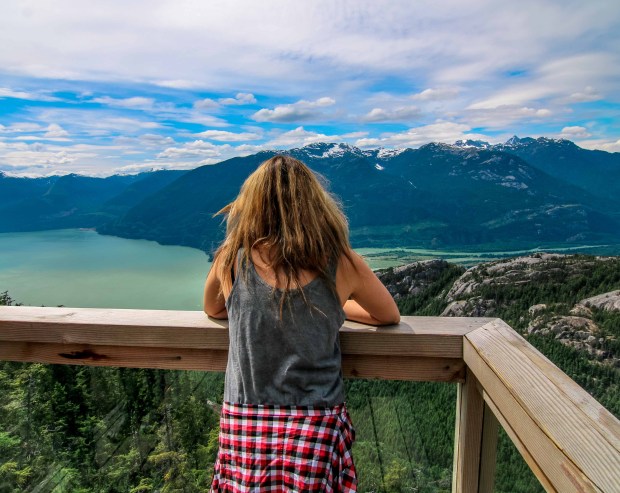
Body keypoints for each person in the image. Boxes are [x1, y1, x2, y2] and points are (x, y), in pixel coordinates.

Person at [204, 154, 400, 492]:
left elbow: (213, 308)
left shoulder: (232, 258)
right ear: (315, 204)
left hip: (245, 421)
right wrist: (337, 305)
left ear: (251, 205)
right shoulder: (340, 260)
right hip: (316, 423)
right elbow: (388, 315)